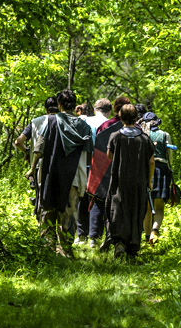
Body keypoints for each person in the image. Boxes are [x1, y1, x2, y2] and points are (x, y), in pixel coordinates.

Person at [32, 88, 93, 257]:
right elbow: (88, 154)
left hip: (50, 173)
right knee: (68, 214)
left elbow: (39, 147)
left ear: (59, 105)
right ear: (74, 106)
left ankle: (47, 248)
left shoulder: (51, 121)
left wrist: (32, 168)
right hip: (73, 175)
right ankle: (65, 249)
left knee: (47, 210)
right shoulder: (83, 126)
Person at [105, 103, 155, 259]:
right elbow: (152, 161)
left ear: (121, 117)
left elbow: (109, 156)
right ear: (136, 118)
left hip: (119, 180)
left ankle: (119, 241)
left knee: (118, 208)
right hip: (139, 180)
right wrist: (149, 181)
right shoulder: (144, 138)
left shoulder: (115, 136)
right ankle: (132, 247)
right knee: (137, 209)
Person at [85, 95, 131, 249]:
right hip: (123, 171)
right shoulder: (133, 127)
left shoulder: (106, 125)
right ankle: (115, 237)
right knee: (119, 203)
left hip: (103, 168)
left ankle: (94, 237)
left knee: (99, 200)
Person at [76, 98, 112, 247]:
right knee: (98, 200)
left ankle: (81, 234)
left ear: (95, 109)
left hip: (84, 163)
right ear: (109, 111)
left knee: (82, 198)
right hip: (102, 167)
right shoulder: (111, 125)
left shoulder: (84, 120)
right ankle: (94, 236)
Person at [15, 96, 58, 210]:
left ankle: (42, 224)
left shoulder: (35, 122)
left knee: (42, 198)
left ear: (46, 109)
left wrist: (28, 151)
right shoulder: (62, 121)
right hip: (59, 164)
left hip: (39, 165)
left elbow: (18, 142)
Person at [140, 110, 173, 246]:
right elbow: (169, 156)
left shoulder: (142, 135)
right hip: (162, 170)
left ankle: (147, 238)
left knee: (147, 207)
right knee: (159, 207)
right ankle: (155, 231)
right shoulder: (165, 135)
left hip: (146, 170)